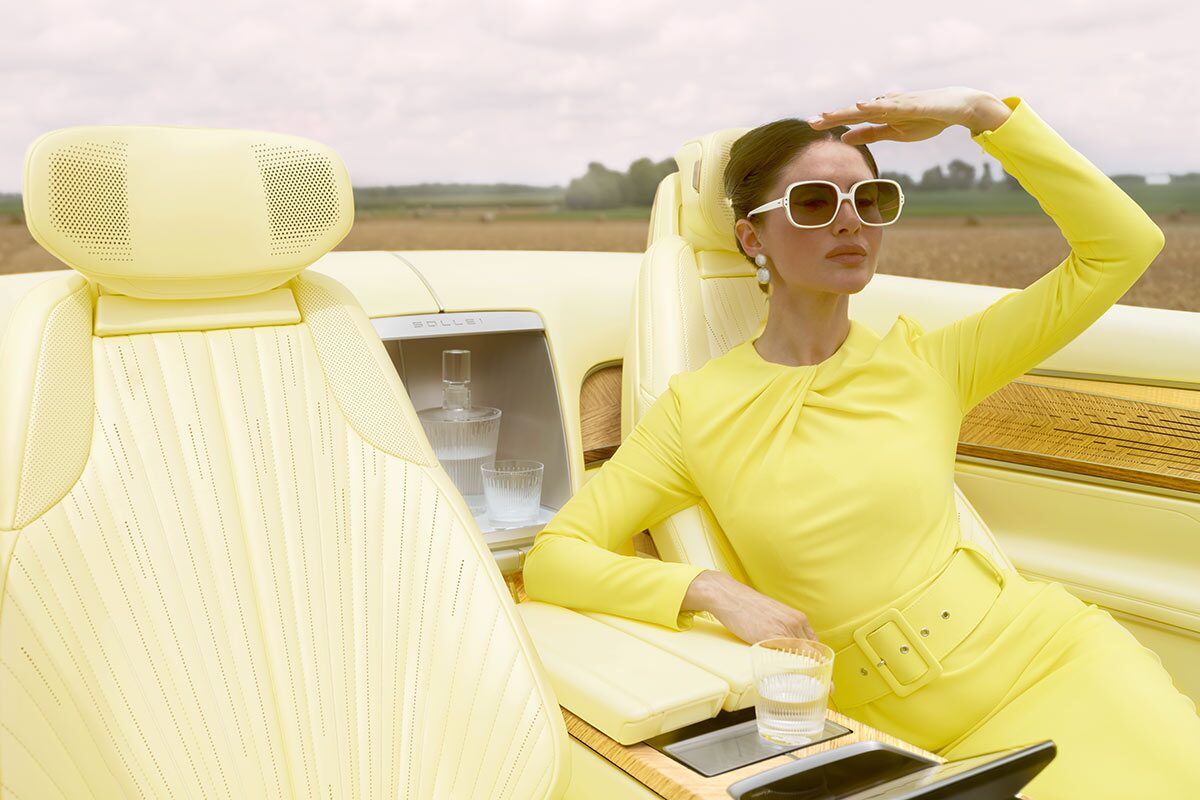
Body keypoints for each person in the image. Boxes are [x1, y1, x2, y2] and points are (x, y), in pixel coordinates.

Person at [522, 86, 1200, 798]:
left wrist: (983, 118)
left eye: (869, 200)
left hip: (1055, 665)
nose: (850, 222)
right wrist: (709, 590)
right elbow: (554, 560)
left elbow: (1123, 248)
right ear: (753, 237)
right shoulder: (695, 410)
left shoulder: (931, 362)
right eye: (815, 203)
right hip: (891, 743)